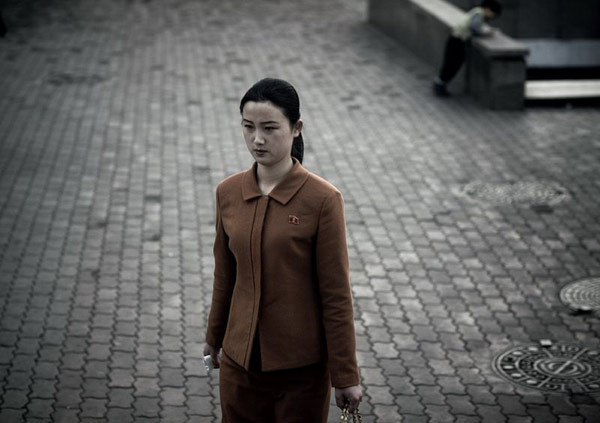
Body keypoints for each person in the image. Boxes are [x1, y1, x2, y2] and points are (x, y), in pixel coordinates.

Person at [203, 77, 362, 422]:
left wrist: (345, 375)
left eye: (270, 128)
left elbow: (335, 293)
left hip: (301, 372)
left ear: (296, 128)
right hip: (239, 365)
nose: (257, 139)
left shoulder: (323, 200)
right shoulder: (228, 192)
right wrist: (213, 338)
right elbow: (224, 276)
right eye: (248, 127)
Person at [433, 0, 502, 97]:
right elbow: (475, 27)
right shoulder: (479, 13)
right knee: (453, 63)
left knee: (450, 63)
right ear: (488, 9)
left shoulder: (476, 11)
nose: (492, 17)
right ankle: (440, 85)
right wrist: (486, 33)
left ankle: (440, 84)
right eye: (493, 14)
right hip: (457, 40)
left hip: (455, 38)